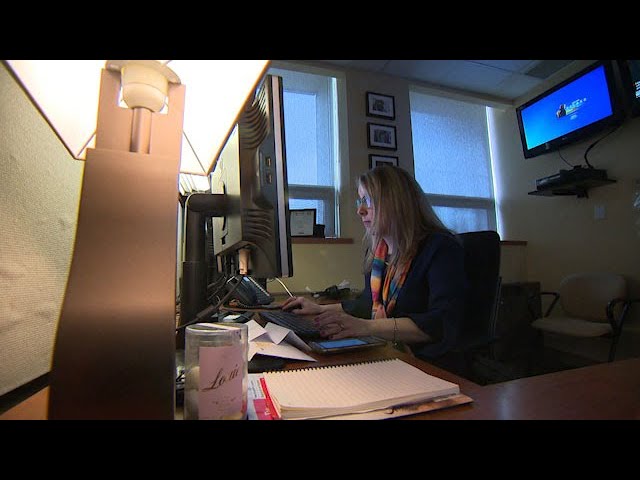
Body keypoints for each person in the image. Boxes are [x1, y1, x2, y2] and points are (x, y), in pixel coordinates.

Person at [281, 165, 468, 359]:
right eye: (360, 201)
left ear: (396, 202)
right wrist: (320, 308)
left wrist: (367, 327)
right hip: (389, 354)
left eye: (368, 201)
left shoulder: (440, 248)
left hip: (427, 362)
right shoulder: (378, 254)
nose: (360, 210)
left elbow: (441, 323)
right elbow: (368, 303)